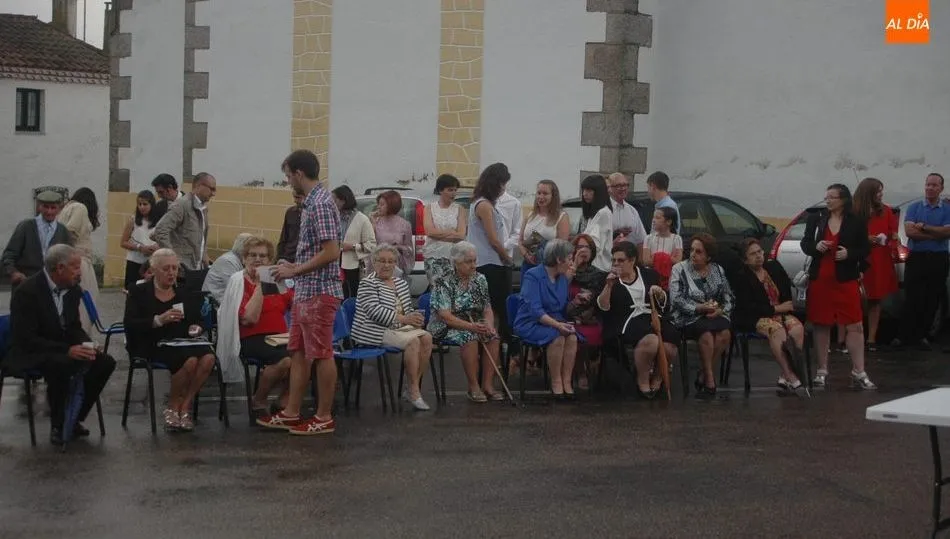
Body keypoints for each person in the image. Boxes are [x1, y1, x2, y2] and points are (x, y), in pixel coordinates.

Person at [258, 150, 344, 435]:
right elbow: (314, 250)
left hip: (319, 290)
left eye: (288, 175)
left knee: (321, 353)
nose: (287, 181)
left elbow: (331, 251)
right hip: (306, 291)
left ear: (298, 173)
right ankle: (291, 411)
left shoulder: (320, 204)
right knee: (298, 352)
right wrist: (292, 266)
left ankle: (323, 416)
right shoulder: (311, 203)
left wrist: (295, 270)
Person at [3, 245, 116, 445]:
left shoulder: (73, 289)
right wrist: (67, 350)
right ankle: (58, 425)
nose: (79, 272)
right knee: (62, 363)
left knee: (104, 362)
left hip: (61, 347)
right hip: (31, 350)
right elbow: (26, 339)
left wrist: (86, 344)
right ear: (60, 268)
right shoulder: (26, 292)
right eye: (75, 267)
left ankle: (74, 417)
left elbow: (73, 327)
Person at [124, 249, 216, 431]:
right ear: (153, 270)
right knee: (189, 361)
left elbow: (197, 319)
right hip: (151, 341)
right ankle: (172, 406)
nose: (171, 273)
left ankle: (185, 405)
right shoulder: (138, 291)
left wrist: (197, 328)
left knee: (208, 358)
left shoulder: (183, 291)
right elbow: (130, 323)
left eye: (175, 268)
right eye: (166, 269)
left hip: (180, 340)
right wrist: (159, 320)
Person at [801, 184, 875, 389]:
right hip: (821, 279)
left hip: (845, 278)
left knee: (855, 324)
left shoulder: (856, 221)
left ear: (843, 200)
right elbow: (805, 244)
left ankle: (859, 370)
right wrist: (816, 246)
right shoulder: (816, 218)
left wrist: (849, 254)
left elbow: (865, 248)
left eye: (832, 197)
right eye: (826, 197)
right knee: (821, 324)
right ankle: (821, 370)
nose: (828, 200)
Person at [216, 237, 294, 414]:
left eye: (263, 256)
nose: (258, 259)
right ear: (244, 258)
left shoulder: (276, 280)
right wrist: (260, 285)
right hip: (251, 337)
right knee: (285, 360)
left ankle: (284, 399)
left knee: (306, 355)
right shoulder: (238, 281)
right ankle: (259, 399)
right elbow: (249, 319)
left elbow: (294, 304)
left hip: (280, 337)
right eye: (253, 255)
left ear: (270, 260)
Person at [352, 245, 434, 411]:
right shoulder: (367, 283)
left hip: (399, 328)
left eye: (391, 261)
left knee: (427, 337)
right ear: (373, 262)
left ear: (396, 264)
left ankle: (412, 386)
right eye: (382, 261)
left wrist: (414, 318)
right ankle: (414, 392)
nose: (386, 265)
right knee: (413, 341)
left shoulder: (400, 283)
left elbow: (407, 309)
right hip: (374, 330)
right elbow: (375, 312)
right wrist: (405, 319)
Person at [597, 241, 679, 398]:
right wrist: (609, 286)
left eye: (621, 260)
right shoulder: (607, 279)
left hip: (652, 316)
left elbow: (663, 302)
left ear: (632, 260)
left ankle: (658, 377)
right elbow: (603, 307)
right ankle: (642, 380)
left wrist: (659, 293)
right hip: (624, 321)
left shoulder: (649, 275)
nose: (616, 264)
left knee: (671, 340)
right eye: (614, 260)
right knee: (651, 340)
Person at [427, 241, 502, 402]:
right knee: (470, 338)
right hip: (446, 325)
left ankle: (487, 385)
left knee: (493, 337)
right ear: (456, 262)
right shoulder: (443, 282)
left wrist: (489, 325)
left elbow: (487, 308)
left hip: (473, 322)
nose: (473, 265)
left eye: (475, 261)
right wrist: (471, 327)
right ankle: (473, 386)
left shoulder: (480, 279)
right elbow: (445, 316)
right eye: (468, 262)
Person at [732, 238, 804, 391]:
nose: (758, 256)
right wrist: (776, 309)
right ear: (745, 260)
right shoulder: (741, 277)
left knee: (797, 328)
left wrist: (784, 307)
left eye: (759, 251)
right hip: (754, 317)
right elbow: (749, 307)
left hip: (780, 312)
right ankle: (790, 374)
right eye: (753, 254)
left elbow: (786, 290)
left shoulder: (773, 267)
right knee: (777, 330)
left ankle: (785, 375)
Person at [669, 233, 734, 398]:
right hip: (688, 315)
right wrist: (698, 308)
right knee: (706, 335)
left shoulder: (717, 270)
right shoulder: (679, 269)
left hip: (713, 314)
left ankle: (703, 373)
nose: (693, 254)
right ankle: (709, 378)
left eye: (698, 252)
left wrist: (721, 310)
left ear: (708, 256)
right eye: (691, 250)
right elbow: (676, 299)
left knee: (725, 334)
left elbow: (728, 297)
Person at [513, 240, 578, 399]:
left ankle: (567, 381)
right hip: (530, 322)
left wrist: (576, 302)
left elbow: (562, 306)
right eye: (570, 258)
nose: (571, 263)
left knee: (572, 337)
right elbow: (535, 311)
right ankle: (556, 382)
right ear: (559, 259)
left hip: (554, 321)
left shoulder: (563, 278)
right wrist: (558, 325)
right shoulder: (533, 276)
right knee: (558, 338)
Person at [895, 173, 950, 350]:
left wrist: (924, 227)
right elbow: (910, 232)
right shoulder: (914, 207)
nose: (930, 188)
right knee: (912, 297)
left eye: (934, 185)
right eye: (928, 184)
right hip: (917, 257)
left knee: (932, 297)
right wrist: (936, 234)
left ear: (941, 188)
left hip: (938, 257)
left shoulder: (947, 209)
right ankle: (904, 336)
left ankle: (923, 335)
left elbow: (947, 232)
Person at [467, 163, 515, 341]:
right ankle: (494, 343)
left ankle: (496, 343)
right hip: (490, 264)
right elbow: (493, 240)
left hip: (490, 263)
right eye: (503, 184)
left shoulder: (483, 204)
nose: (503, 188)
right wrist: (507, 258)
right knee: (496, 309)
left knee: (496, 309)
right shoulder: (484, 206)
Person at [853, 177, 898, 351]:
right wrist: (865, 239)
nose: (881, 194)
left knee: (875, 299)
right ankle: (854, 337)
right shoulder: (854, 211)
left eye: (881, 191)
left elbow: (893, 233)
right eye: (878, 191)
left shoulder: (886, 211)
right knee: (856, 299)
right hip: (860, 259)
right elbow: (846, 234)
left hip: (879, 260)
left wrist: (892, 238)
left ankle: (871, 339)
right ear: (868, 192)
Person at [153, 172, 217, 292]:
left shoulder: (203, 208)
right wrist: (173, 258)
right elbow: (160, 230)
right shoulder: (182, 205)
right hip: (182, 272)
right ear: (199, 186)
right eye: (211, 189)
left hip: (197, 269)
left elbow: (201, 237)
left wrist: (204, 255)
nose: (213, 193)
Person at [2, 190, 71, 291]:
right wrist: (13, 272)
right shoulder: (25, 226)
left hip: (51, 287)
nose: (49, 211)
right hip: (25, 284)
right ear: (39, 207)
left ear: (59, 209)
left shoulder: (63, 231)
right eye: (46, 207)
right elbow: (9, 254)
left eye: (53, 208)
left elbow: (69, 260)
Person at [57, 188, 102, 334]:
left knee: (74, 300)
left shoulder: (66, 208)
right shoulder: (80, 208)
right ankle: (81, 335)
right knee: (85, 302)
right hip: (80, 260)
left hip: (72, 260)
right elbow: (71, 232)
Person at [566, 234, 606, 389]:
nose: (583, 250)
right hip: (568, 315)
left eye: (587, 247)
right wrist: (575, 265)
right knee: (574, 333)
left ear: (592, 251)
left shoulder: (598, 274)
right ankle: (580, 372)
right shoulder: (566, 271)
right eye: (579, 247)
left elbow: (599, 301)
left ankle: (590, 364)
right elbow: (561, 290)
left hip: (590, 316)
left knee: (593, 332)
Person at [518, 180, 570, 279]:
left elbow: (562, 247)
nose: (541, 197)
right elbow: (520, 240)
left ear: (553, 196)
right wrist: (525, 255)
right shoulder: (530, 215)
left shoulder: (561, 217)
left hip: (548, 269)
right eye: (539, 193)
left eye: (545, 193)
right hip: (528, 266)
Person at [423, 174, 467, 289]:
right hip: (433, 255)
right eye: (450, 190)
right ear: (440, 190)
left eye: (455, 190)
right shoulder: (429, 208)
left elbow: (461, 235)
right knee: (437, 289)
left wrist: (439, 235)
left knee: (453, 289)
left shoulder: (460, 209)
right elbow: (429, 232)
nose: (453, 193)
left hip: (453, 256)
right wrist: (452, 232)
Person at [333, 185, 376, 298]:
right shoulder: (333, 218)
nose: (332, 203)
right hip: (334, 264)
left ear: (343, 200)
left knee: (352, 295)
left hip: (353, 266)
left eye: (334, 200)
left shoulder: (362, 219)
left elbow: (371, 245)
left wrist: (352, 246)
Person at [120, 190, 160, 291]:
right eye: (139, 204)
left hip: (152, 263)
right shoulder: (133, 220)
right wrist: (140, 248)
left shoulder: (159, 222)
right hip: (134, 263)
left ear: (152, 204)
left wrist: (155, 248)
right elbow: (123, 242)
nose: (142, 207)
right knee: (132, 291)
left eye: (145, 204)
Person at [369, 190, 414, 278]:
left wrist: (397, 247)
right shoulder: (375, 222)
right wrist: (373, 223)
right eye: (378, 204)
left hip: (396, 266)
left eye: (382, 204)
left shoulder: (404, 224)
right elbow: (370, 244)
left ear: (391, 205)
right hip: (377, 267)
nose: (378, 207)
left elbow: (409, 249)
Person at [202, 233, 253, 304]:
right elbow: (236, 289)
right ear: (244, 249)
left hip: (226, 301)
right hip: (213, 303)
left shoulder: (238, 259)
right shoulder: (228, 261)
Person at [578, 174, 614, 272]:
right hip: (592, 265)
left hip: (598, 268)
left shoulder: (603, 213)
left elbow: (596, 245)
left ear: (599, 192)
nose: (584, 194)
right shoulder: (594, 214)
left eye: (589, 190)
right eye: (583, 190)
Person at [640, 206, 683, 289]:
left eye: (657, 218)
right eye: (653, 217)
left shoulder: (677, 239)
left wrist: (656, 256)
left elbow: (678, 261)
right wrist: (667, 258)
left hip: (670, 279)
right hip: (651, 278)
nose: (653, 220)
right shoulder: (648, 238)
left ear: (668, 222)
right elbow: (646, 261)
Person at [608, 172, 646, 246]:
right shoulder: (603, 210)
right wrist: (614, 234)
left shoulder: (632, 211)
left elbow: (641, 240)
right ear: (609, 188)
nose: (623, 188)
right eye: (619, 186)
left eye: (625, 185)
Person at [277, 190, 304, 263]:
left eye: (298, 197)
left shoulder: (312, 213)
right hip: (287, 256)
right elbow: (283, 237)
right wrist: (278, 257)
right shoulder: (290, 212)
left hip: (302, 258)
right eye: (294, 197)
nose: (295, 201)